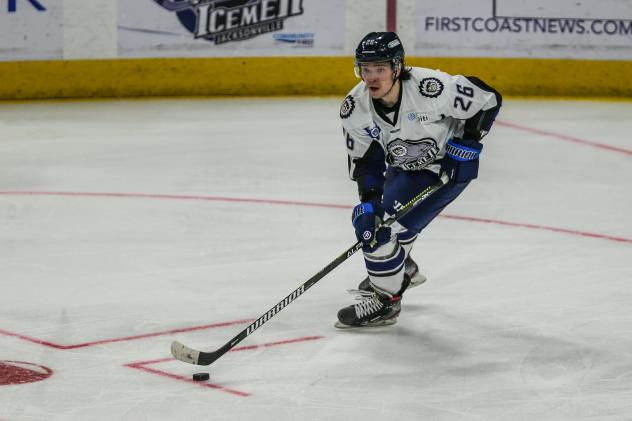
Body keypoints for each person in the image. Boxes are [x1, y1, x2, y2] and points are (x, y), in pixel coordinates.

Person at [336, 32, 502, 328]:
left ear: (397, 68)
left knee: (384, 234)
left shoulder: (431, 89)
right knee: (376, 223)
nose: (371, 77)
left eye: (380, 69)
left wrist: (468, 143)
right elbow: (367, 161)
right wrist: (369, 202)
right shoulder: (355, 106)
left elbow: (487, 99)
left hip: (445, 171)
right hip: (401, 167)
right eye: (366, 69)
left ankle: (387, 303)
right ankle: (403, 268)